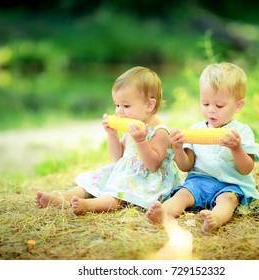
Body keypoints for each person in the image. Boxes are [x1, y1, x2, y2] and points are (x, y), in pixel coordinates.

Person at [35, 66, 181, 215]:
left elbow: (152, 165)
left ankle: (90, 205)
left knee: (121, 192)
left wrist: (141, 141)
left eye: (126, 105)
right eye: (117, 105)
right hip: (128, 170)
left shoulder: (160, 131)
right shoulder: (133, 124)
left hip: (148, 179)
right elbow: (118, 157)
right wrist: (112, 135)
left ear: (149, 105)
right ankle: (63, 197)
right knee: (96, 179)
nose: (118, 111)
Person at [147, 62, 259, 233]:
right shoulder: (195, 130)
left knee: (228, 200)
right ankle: (164, 212)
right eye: (205, 104)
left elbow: (246, 169)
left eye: (219, 105)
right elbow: (186, 166)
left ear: (237, 105)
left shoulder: (242, 132)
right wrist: (178, 148)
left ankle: (215, 218)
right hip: (200, 181)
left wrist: (237, 148)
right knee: (183, 194)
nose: (211, 111)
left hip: (231, 184)